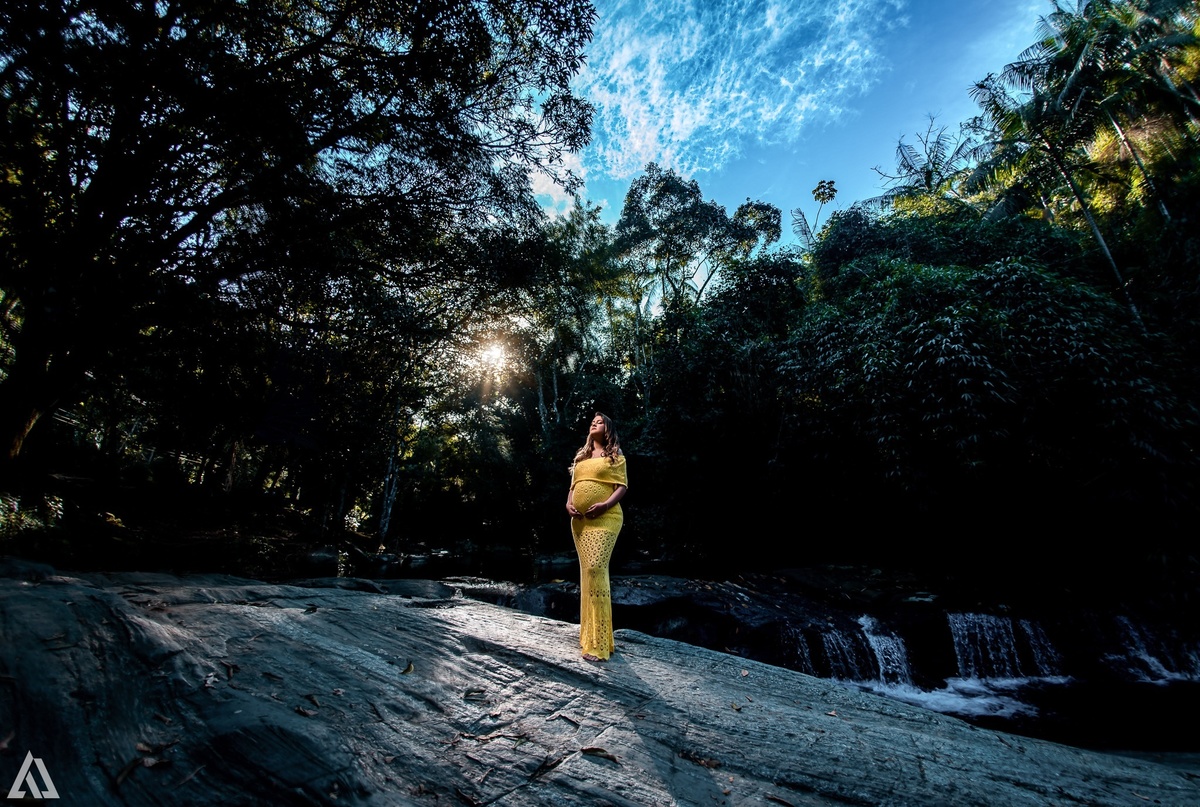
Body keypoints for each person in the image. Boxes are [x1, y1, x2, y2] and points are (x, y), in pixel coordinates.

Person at [565, 413, 627, 662]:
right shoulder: (581, 457)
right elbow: (573, 487)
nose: (594, 423)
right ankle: (589, 637)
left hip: (606, 518)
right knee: (587, 575)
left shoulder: (615, 455)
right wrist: (569, 504)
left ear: (608, 428)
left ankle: (600, 644)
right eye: (592, 421)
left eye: (599, 422)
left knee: (596, 569)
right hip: (580, 522)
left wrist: (604, 505)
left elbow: (621, 486)